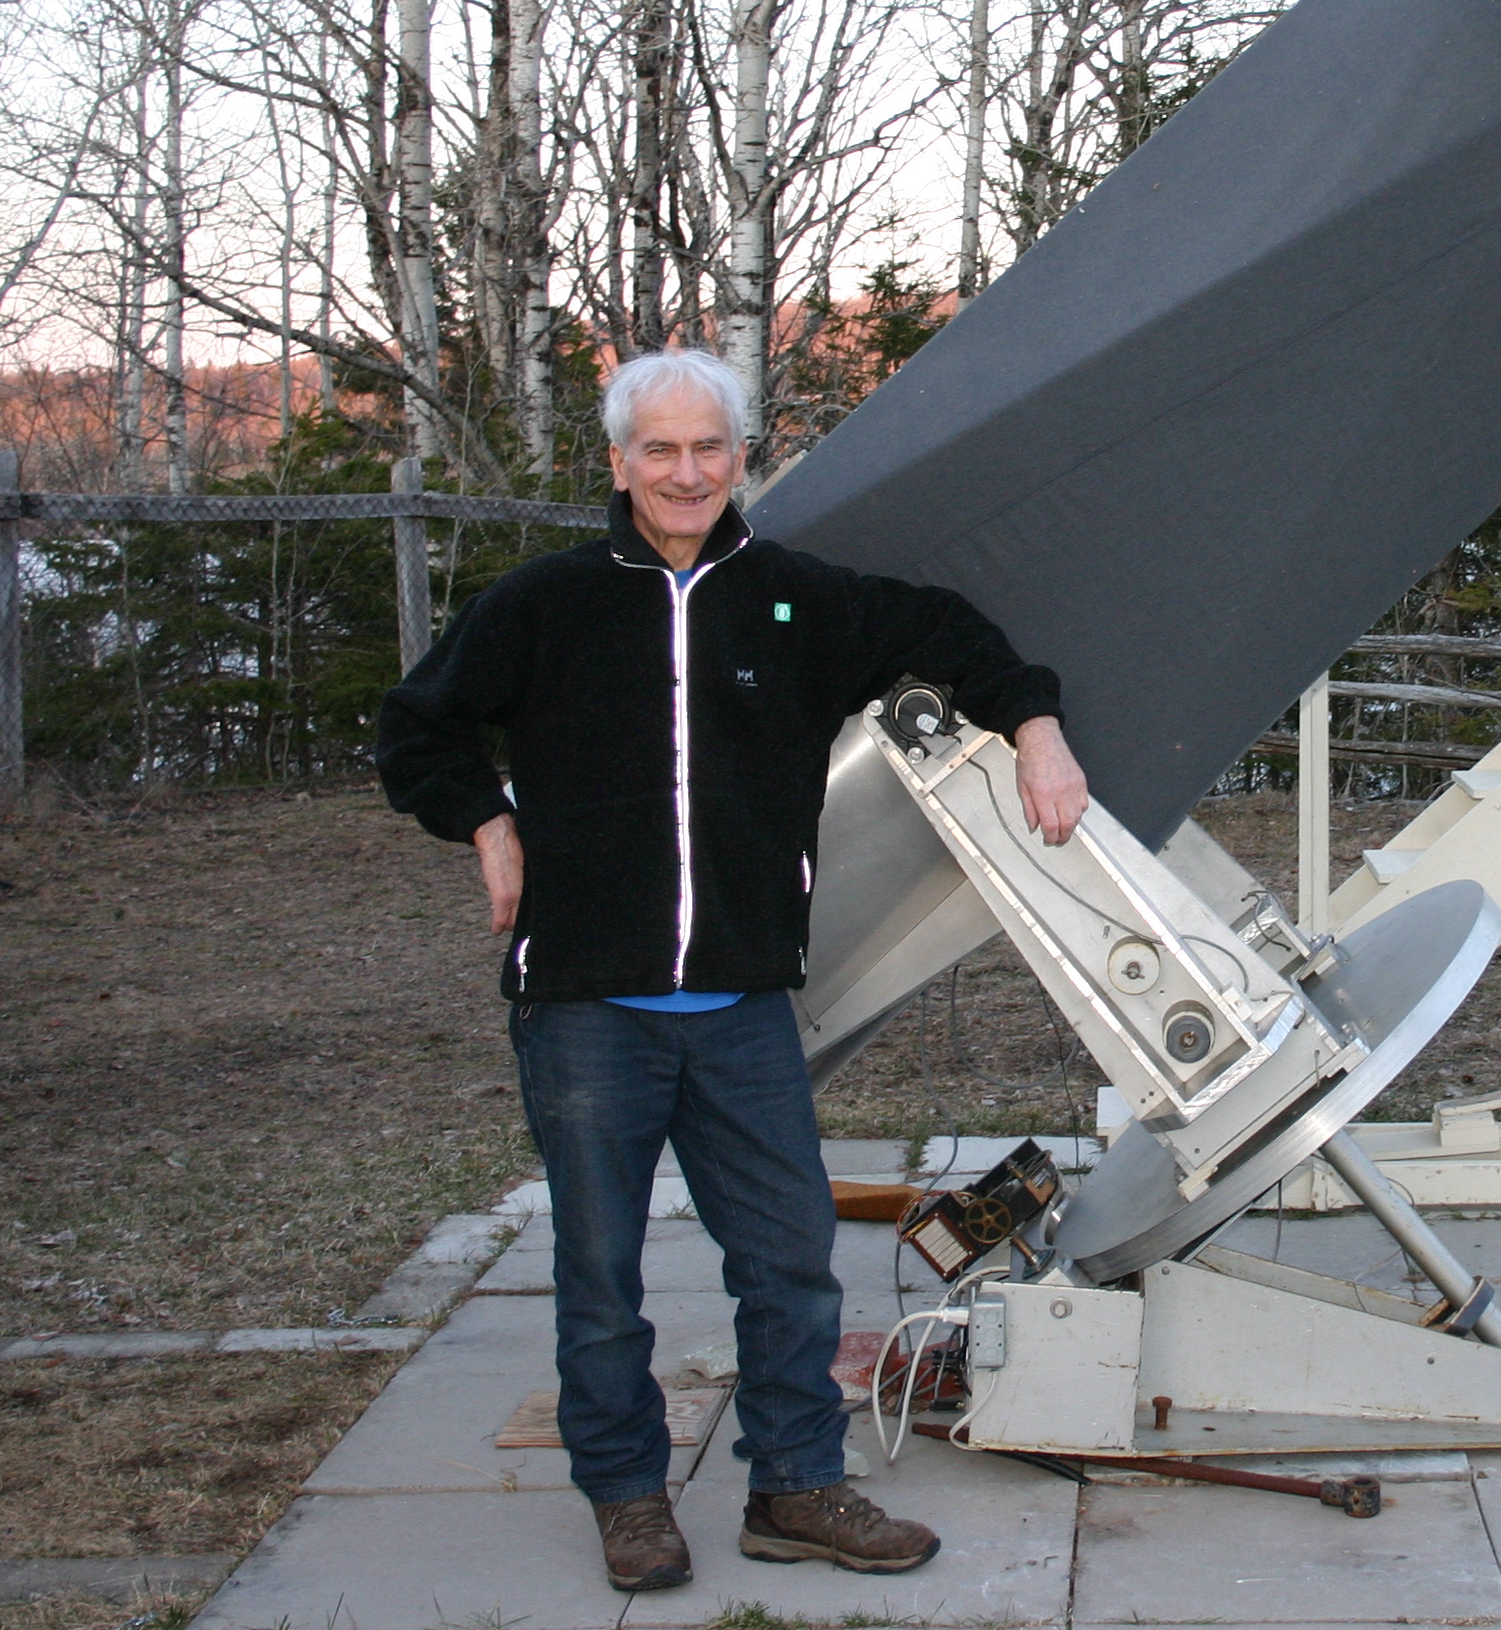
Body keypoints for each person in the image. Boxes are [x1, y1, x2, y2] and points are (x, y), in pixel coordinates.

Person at [376, 347, 1087, 1594]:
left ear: (740, 456)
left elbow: (952, 635)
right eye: (659, 448)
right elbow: (415, 724)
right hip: (586, 1007)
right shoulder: (545, 603)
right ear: (618, 463)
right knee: (602, 1279)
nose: (686, 470)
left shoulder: (796, 601)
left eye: (708, 446)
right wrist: (487, 819)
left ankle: (796, 1484)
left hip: (744, 1006)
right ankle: (628, 1495)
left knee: (791, 1262)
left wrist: (1037, 728)